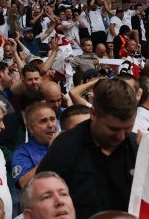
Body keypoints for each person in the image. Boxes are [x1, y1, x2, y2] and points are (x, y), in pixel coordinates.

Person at [36, 78, 137, 218]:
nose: (121, 137)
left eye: (127, 129)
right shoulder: (64, 149)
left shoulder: (138, 148)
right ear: (93, 114)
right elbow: (43, 203)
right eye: (113, 129)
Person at [11, 102, 58, 190]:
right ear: (31, 128)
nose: (50, 125)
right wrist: (52, 152)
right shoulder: (22, 152)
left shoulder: (68, 145)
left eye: (52, 119)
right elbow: (24, 183)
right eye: (43, 121)